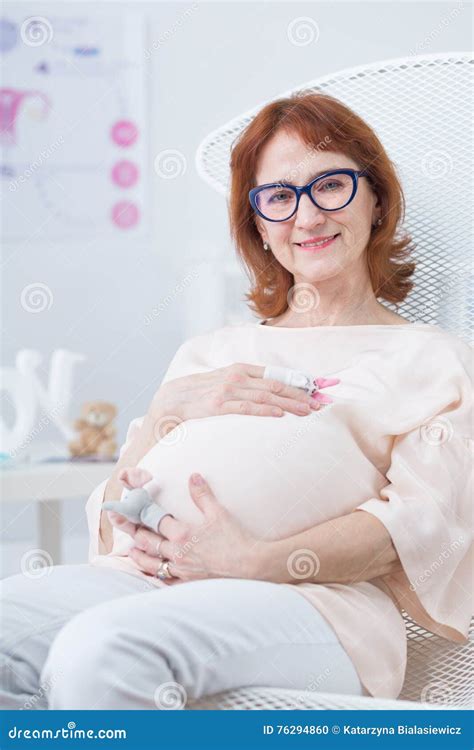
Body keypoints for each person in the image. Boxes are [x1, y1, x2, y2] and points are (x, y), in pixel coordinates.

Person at [1, 92, 471, 710]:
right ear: (258, 223)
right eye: (278, 197)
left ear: (376, 197)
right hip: (144, 581)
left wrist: (256, 558)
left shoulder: (433, 358)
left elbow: (424, 526)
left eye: (330, 184)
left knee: (103, 651)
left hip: (314, 603)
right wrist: (165, 412)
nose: (306, 217)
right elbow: (112, 519)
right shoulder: (210, 351)